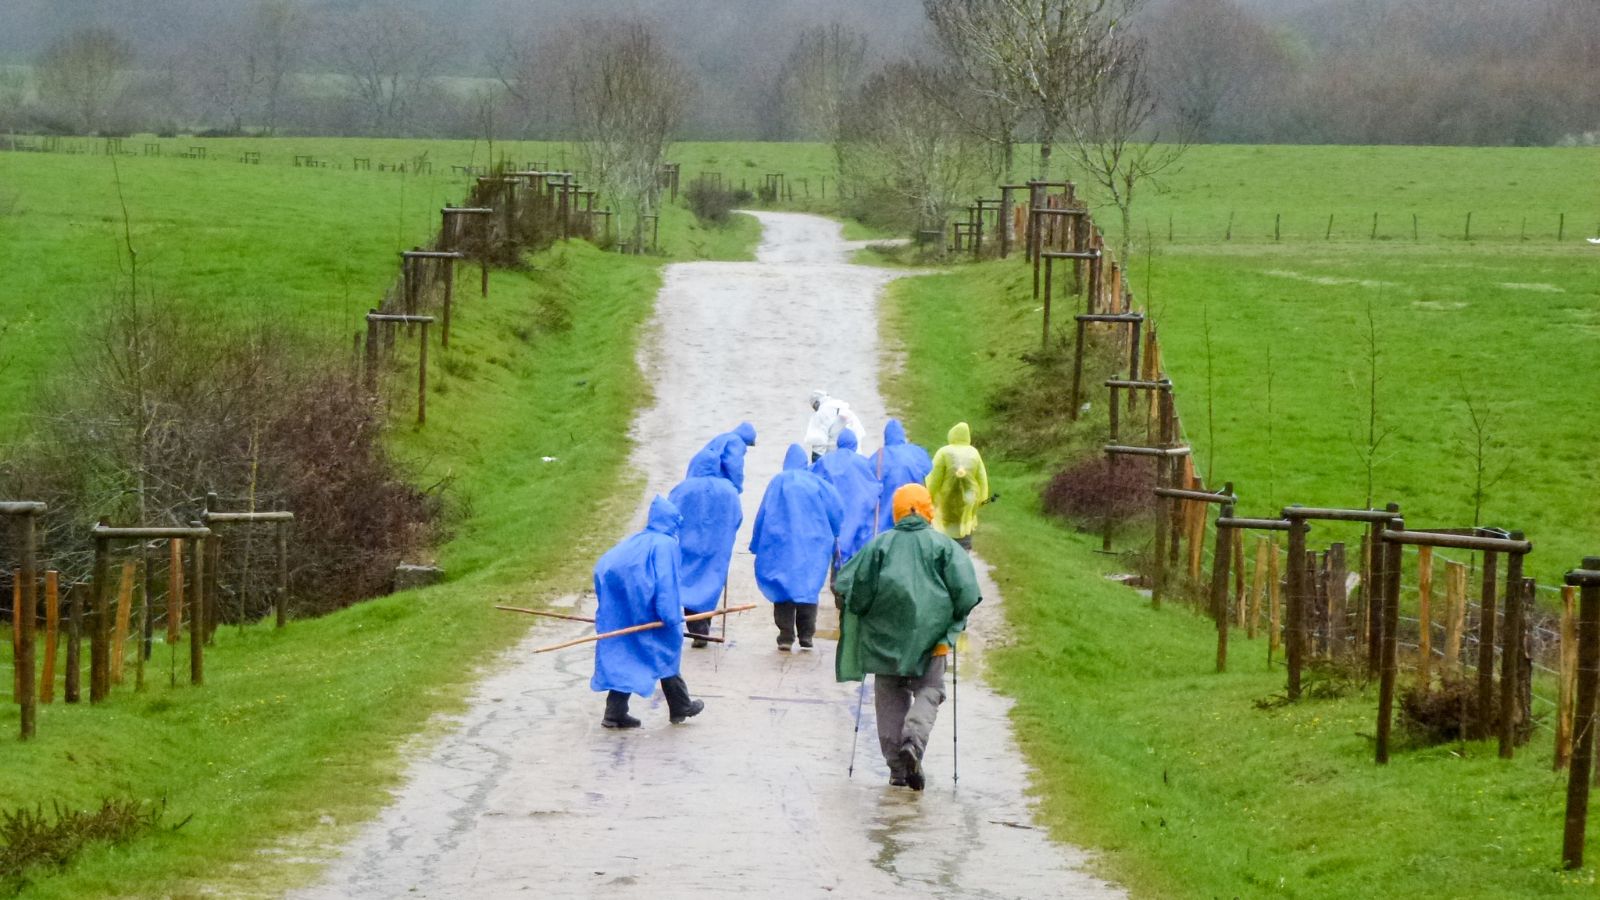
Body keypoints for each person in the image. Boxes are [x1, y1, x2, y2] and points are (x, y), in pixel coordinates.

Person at [833, 484, 982, 790]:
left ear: (896, 510)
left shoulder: (880, 546)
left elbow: (854, 590)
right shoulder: (944, 547)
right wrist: (950, 621)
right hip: (934, 640)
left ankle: (898, 771)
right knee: (930, 690)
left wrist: (860, 613)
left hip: (884, 642)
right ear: (928, 509)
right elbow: (967, 593)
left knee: (889, 698)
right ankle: (913, 740)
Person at [590, 495, 705, 729]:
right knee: (665, 652)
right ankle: (680, 706)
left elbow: (604, 567)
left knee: (628, 655)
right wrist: (670, 617)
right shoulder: (665, 545)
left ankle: (615, 713)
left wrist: (614, 609)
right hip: (647, 610)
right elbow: (667, 585)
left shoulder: (636, 540)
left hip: (623, 609)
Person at [750, 443, 844, 651]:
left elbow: (763, 514)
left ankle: (785, 634)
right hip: (813, 544)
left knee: (782, 587)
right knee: (808, 588)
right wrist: (835, 532)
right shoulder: (817, 483)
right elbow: (836, 509)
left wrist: (756, 542)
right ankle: (806, 634)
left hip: (780, 545)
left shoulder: (777, 482)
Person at [668, 453, 744, 648]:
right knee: (710, 585)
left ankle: (698, 629)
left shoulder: (683, 489)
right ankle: (703, 626)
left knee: (690, 584)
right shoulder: (729, 490)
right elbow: (737, 517)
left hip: (687, 546)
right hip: (717, 547)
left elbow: (669, 515)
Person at [809, 428, 878, 565]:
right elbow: (875, 486)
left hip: (835, 511)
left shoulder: (826, 461)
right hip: (858, 510)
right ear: (855, 444)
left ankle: (837, 573)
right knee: (857, 544)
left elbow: (812, 478)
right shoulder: (864, 462)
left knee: (838, 543)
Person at [925, 421, 990, 551]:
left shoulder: (943, 453)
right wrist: (982, 498)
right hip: (968, 502)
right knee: (964, 533)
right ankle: (962, 559)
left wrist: (928, 498)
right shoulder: (974, 453)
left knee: (942, 537)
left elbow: (933, 479)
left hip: (945, 502)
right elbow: (982, 479)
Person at [872, 419, 933, 533]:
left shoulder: (878, 457)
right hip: (915, 514)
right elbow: (929, 468)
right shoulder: (917, 452)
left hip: (887, 520)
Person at [687, 421, 757, 494]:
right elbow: (733, 464)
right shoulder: (736, 441)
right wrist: (737, 487)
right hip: (711, 472)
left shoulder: (724, 436)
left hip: (698, 467)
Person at [804, 390, 866, 462]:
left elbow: (818, 444)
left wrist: (815, 468)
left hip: (835, 462)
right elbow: (860, 435)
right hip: (856, 458)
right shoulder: (845, 408)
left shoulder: (821, 413)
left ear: (817, 403)